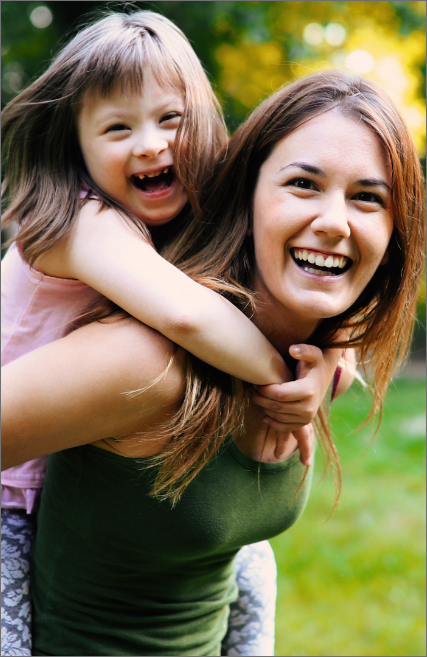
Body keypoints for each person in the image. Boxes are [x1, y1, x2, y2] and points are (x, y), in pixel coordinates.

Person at [3, 69, 424, 657]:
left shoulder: (309, 362)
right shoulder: (147, 365)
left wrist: (326, 360)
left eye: (367, 197)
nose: (335, 221)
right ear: (246, 192)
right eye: (303, 183)